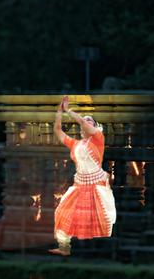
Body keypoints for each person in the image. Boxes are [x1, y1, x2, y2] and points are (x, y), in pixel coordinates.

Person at [50, 95, 116, 255]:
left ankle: (100, 254)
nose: (86, 123)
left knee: (96, 220)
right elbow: (58, 131)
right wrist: (59, 112)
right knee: (62, 212)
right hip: (79, 185)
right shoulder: (75, 144)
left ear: (94, 126)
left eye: (90, 121)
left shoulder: (98, 139)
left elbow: (81, 122)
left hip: (96, 185)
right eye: (85, 121)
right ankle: (64, 248)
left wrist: (69, 111)